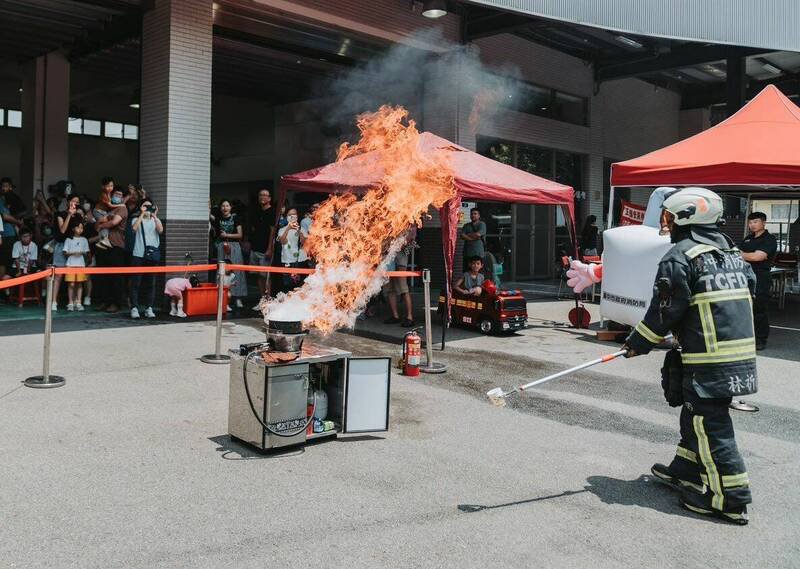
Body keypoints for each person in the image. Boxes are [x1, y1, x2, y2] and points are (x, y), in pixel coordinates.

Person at [623, 187, 757, 525]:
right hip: (735, 354)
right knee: (695, 413)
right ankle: (686, 469)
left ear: (687, 216)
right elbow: (749, 290)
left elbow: (665, 309)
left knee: (709, 423)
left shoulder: (680, 255)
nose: (665, 221)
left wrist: (638, 341)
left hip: (707, 357)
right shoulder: (730, 251)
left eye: (669, 214)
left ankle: (729, 499)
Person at [738, 212, 777, 351]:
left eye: (755, 222)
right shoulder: (748, 238)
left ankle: (760, 340)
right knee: (744, 309)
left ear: (763, 223)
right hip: (744, 277)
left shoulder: (769, 239)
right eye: (750, 222)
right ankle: (746, 338)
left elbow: (758, 257)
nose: (752, 225)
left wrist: (741, 255)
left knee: (759, 309)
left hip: (761, 277)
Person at [94, 186, 129, 313]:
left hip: (116, 246)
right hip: (103, 245)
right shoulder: (109, 208)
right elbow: (96, 221)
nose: (117, 196)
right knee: (103, 276)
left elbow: (114, 222)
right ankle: (105, 301)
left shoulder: (122, 208)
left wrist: (102, 224)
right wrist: (100, 223)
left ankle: (116, 303)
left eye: (120, 194)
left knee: (116, 276)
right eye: (115, 194)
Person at [129, 199, 164, 319]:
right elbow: (134, 229)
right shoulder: (136, 219)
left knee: (151, 283)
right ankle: (134, 307)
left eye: (150, 206)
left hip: (152, 255)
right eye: (145, 206)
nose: (148, 208)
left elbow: (160, 230)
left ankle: (149, 307)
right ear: (140, 207)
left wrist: (154, 216)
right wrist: (142, 214)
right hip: (138, 254)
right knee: (136, 283)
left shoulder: (155, 220)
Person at [51, 195, 85, 311]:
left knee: (75, 276)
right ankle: (54, 301)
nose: (75, 203)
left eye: (77, 202)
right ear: (68, 202)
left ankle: (75, 301)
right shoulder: (60, 214)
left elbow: (80, 231)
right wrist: (70, 214)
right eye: (73, 201)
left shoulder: (79, 216)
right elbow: (62, 230)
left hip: (74, 247)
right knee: (59, 275)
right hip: (61, 246)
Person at [212, 199, 247, 308]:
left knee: (236, 271)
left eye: (227, 206)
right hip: (222, 246)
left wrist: (227, 235)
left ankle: (238, 298)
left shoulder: (236, 218)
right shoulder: (218, 219)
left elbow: (240, 235)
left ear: (231, 207)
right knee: (221, 272)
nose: (225, 208)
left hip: (234, 246)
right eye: (223, 206)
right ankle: (223, 298)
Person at [382, 226, 416, 327]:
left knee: (403, 287)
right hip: (388, 258)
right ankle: (395, 316)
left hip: (400, 258)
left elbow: (409, 240)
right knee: (389, 288)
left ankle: (410, 317)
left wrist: (397, 244)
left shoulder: (410, 225)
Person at [248, 188, 276, 307]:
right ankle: (262, 301)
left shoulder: (272, 212)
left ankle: (268, 301)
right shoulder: (256, 211)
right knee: (258, 276)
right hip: (255, 248)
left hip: (265, 249)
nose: (262, 197)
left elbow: (272, 231)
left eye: (265, 195)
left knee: (266, 276)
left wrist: (270, 248)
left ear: (269, 198)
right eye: (260, 195)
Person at [277, 207, 308, 292]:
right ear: (286, 216)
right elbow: (283, 241)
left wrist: (299, 230)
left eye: (294, 214)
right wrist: (288, 228)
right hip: (287, 260)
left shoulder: (302, 229)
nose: (292, 216)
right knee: (289, 286)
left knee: (301, 286)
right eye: (290, 215)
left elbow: (304, 243)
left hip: (301, 259)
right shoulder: (282, 230)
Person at [62, 221, 89, 311]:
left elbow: (87, 253)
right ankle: (70, 302)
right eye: (78, 227)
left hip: (81, 264)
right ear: (73, 228)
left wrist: (82, 253)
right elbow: (64, 253)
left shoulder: (84, 240)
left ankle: (78, 302)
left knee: (80, 283)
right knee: (71, 284)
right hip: (70, 264)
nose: (80, 229)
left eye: (81, 228)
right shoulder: (68, 240)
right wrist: (73, 253)